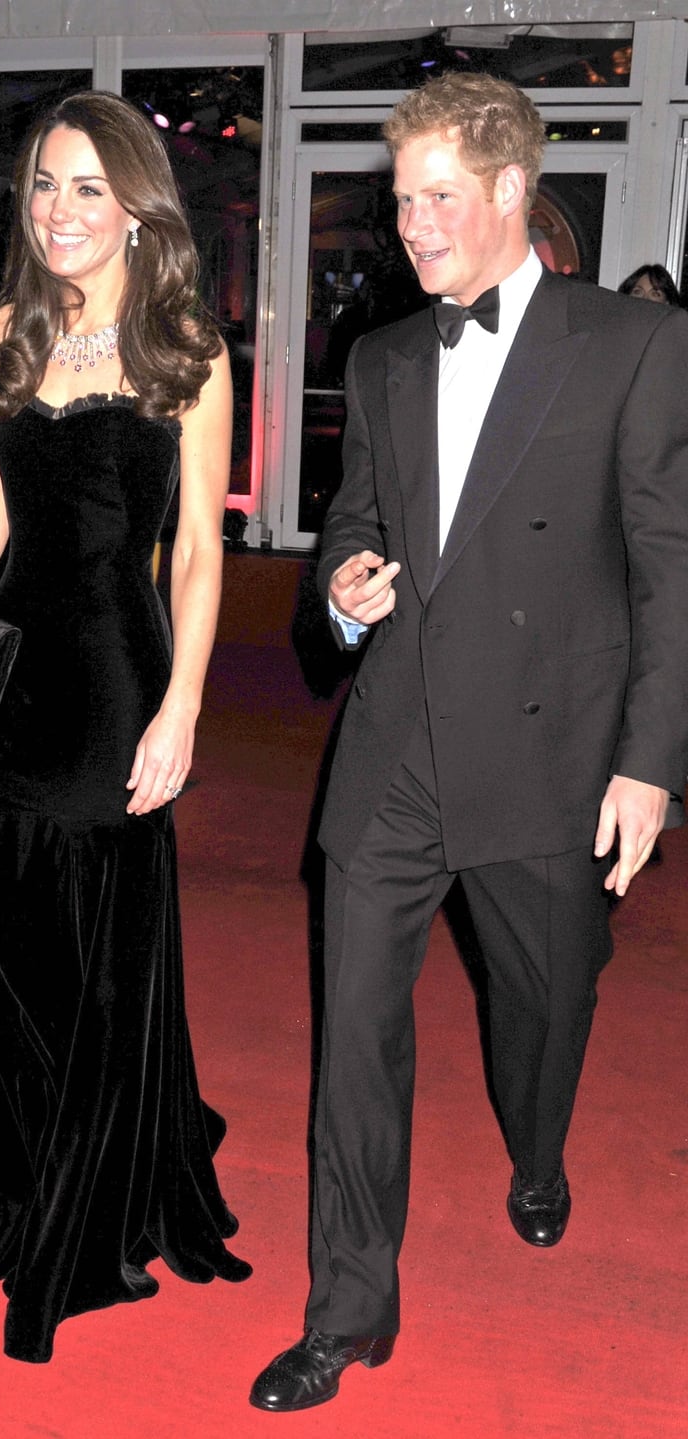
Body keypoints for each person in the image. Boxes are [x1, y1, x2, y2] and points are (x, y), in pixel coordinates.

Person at [249, 71, 688, 1414]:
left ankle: (539, 1145)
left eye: (440, 198)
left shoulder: (628, 344)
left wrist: (651, 760)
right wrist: (341, 584)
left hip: (552, 754)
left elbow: (671, 566)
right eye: (403, 201)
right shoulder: (382, 355)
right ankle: (346, 1307)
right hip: (396, 754)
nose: (415, 226)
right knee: (355, 1040)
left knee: (542, 1007)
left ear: (512, 192)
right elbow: (354, 519)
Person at [0, 90, 251, 1363]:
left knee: (94, 941)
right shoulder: (0, 331)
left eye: (88, 188)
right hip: (15, 682)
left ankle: (90, 1180)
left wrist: (186, 704)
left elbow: (199, 553)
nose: (58, 210)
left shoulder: (188, 349)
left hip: (114, 679)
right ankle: (5, 1170)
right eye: (44, 184)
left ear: (138, 204)